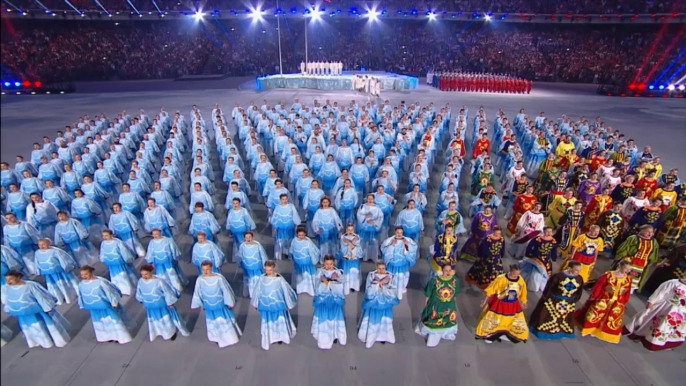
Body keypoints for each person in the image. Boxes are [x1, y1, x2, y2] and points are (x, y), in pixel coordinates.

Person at [2, 270, 71, 349]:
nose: (8, 281)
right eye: (7, 280)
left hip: (38, 312)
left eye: (10, 279)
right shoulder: (8, 288)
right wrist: (9, 309)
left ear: (18, 277)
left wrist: (47, 307)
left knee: (45, 325)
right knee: (32, 328)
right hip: (23, 315)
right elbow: (8, 300)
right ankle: (40, 341)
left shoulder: (30, 285)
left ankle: (56, 340)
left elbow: (41, 296)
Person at [574, 260, 632, 344]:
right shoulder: (608, 275)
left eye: (629, 269)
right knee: (595, 314)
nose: (628, 271)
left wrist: (624, 301)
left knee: (611, 319)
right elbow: (599, 286)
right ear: (620, 266)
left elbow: (627, 291)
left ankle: (602, 332)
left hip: (617, 302)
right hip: (604, 299)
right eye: (626, 269)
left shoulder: (628, 279)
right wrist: (594, 296)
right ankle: (591, 329)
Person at [623, 278, 686, 351]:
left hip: (680, 313)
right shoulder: (673, 283)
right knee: (653, 323)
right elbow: (660, 292)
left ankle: (660, 342)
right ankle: (642, 336)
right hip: (665, 308)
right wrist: (652, 301)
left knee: (667, 328)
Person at [191, 261, 242, 348]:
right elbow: (197, 292)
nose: (205, 271)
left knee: (222, 321)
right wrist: (200, 304)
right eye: (203, 270)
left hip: (219, 304)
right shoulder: (200, 279)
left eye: (207, 269)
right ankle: (215, 337)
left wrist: (229, 302)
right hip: (208, 305)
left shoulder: (219, 278)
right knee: (213, 322)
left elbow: (226, 291)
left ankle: (229, 338)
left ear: (211, 268)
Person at [77, 265, 133, 344]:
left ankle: (119, 336)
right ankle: (106, 336)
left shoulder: (100, 282)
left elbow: (109, 291)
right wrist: (82, 304)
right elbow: (80, 295)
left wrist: (114, 302)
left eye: (86, 274)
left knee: (113, 320)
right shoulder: (81, 284)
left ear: (91, 272)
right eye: (82, 275)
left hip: (106, 305)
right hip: (94, 307)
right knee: (100, 322)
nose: (83, 276)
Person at [529, 261, 584, 340]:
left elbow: (579, 291)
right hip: (554, 301)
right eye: (576, 270)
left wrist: (574, 300)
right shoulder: (558, 276)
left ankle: (562, 331)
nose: (578, 272)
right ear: (570, 268)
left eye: (579, 270)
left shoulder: (579, 278)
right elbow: (549, 288)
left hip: (568, 303)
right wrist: (546, 298)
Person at [475, 264, 529, 344]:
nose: (516, 276)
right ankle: (490, 335)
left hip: (513, 304)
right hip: (500, 303)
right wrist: (485, 300)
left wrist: (523, 302)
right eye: (514, 274)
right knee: (495, 320)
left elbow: (523, 292)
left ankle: (507, 333)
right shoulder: (501, 278)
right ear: (510, 271)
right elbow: (491, 289)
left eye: (518, 274)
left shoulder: (520, 280)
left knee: (511, 320)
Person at [135, 264, 190, 342]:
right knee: (156, 320)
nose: (144, 276)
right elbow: (139, 292)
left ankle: (171, 333)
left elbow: (167, 291)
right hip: (150, 306)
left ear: (151, 272)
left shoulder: (159, 281)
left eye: (146, 274)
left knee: (166, 319)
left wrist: (170, 302)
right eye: (142, 274)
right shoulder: (141, 281)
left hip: (162, 305)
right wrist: (141, 300)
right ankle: (159, 332)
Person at [251, 261, 298, 350]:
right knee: (268, 321)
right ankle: (270, 337)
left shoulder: (279, 279)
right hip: (266, 304)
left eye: (270, 270)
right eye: (267, 270)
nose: (268, 272)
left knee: (279, 320)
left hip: (278, 304)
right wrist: (256, 303)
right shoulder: (261, 278)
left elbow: (286, 291)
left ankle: (281, 337)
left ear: (274, 268)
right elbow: (257, 291)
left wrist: (289, 303)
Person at [415, 263, 460, 348]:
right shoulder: (434, 280)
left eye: (450, 270)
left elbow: (455, 295)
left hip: (448, 306)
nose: (448, 272)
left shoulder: (455, 281)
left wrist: (454, 305)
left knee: (447, 320)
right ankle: (432, 337)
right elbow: (428, 294)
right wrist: (426, 304)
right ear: (442, 271)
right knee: (433, 320)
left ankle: (445, 333)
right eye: (446, 270)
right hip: (435, 305)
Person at [358, 261, 399, 348]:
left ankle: (383, 337)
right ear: (376, 268)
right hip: (374, 303)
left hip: (385, 302)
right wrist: (377, 285)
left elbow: (394, 290)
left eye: (383, 268)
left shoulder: (391, 276)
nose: (381, 270)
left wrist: (384, 287)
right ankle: (370, 336)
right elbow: (368, 290)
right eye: (379, 268)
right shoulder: (372, 275)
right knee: (373, 319)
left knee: (385, 321)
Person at [311, 255, 347, 350]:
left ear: (333, 263)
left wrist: (335, 279)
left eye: (331, 264)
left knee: (335, 318)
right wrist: (323, 281)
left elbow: (342, 284)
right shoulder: (320, 272)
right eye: (327, 264)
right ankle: (324, 339)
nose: (329, 266)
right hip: (324, 301)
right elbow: (317, 286)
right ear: (324, 263)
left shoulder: (338, 272)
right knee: (324, 319)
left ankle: (334, 335)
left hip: (334, 301)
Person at [613, 225, 660, 293]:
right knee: (623, 274)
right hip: (630, 261)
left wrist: (650, 261)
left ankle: (629, 291)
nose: (650, 233)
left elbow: (653, 253)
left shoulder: (654, 242)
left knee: (635, 279)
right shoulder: (633, 238)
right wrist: (622, 257)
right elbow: (624, 248)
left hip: (642, 264)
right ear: (641, 230)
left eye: (652, 232)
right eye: (648, 231)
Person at [34, 238, 80, 305]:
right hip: (49, 274)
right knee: (53, 286)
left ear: (48, 244)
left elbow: (63, 259)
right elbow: (37, 262)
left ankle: (70, 296)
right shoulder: (37, 253)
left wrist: (66, 267)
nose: (41, 246)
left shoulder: (55, 251)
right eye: (39, 245)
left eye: (43, 244)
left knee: (63, 283)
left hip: (60, 272)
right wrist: (38, 270)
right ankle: (58, 298)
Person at [381, 226, 418, 300]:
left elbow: (413, 248)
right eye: (398, 232)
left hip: (402, 264)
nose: (399, 234)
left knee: (402, 277)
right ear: (395, 232)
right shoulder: (389, 240)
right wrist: (391, 245)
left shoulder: (407, 240)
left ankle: (401, 289)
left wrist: (407, 245)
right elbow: (384, 249)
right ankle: (392, 290)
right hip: (393, 264)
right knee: (393, 277)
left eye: (401, 232)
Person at [99, 230, 138, 296]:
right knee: (115, 276)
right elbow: (102, 252)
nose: (104, 237)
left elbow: (124, 252)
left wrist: (127, 259)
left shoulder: (118, 242)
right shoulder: (103, 243)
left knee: (123, 275)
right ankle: (119, 289)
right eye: (103, 236)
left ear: (111, 235)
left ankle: (127, 289)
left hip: (120, 262)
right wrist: (103, 259)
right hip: (111, 263)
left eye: (106, 235)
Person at [519, 227, 558, 292]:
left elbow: (554, 251)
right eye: (547, 231)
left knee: (545, 273)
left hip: (546, 259)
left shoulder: (553, 241)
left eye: (550, 232)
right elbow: (530, 246)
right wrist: (528, 254)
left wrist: (554, 258)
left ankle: (541, 284)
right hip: (536, 257)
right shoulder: (538, 239)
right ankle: (531, 284)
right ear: (544, 231)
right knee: (534, 271)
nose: (549, 233)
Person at [236, 231, 269, 298]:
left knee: (258, 280)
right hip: (247, 267)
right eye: (246, 237)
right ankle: (251, 295)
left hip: (257, 267)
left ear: (252, 237)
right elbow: (239, 255)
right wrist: (239, 263)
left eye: (249, 237)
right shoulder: (242, 245)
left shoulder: (257, 245)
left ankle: (258, 294)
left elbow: (263, 255)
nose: (248, 239)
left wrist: (265, 265)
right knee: (249, 281)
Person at [289, 227, 320, 296]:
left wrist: (314, 260)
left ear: (305, 234)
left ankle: (309, 289)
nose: (301, 237)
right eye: (299, 235)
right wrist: (291, 256)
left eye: (302, 235)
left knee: (307, 275)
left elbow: (312, 252)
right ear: (297, 235)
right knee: (299, 275)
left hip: (307, 263)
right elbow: (292, 249)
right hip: (298, 262)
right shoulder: (294, 241)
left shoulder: (308, 242)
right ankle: (300, 289)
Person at [270, 194, 301, 261]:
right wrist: (275, 227)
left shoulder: (291, 206)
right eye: (283, 199)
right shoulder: (278, 207)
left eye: (286, 199)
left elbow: (295, 215)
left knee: (289, 241)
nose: (285, 200)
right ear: (280, 200)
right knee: (280, 241)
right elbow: (275, 217)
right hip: (281, 228)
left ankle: (289, 254)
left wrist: (296, 225)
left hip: (290, 227)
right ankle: (278, 256)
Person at [337, 224, 362, 294]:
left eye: (352, 230)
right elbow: (343, 249)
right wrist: (351, 243)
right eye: (349, 230)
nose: (350, 231)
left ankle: (353, 286)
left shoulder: (357, 237)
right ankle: (346, 286)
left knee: (354, 273)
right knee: (346, 273)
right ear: (346, 230)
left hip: (354, 259)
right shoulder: (343, 237)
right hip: (346, 259)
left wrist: (349, 243)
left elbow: (359, 248)